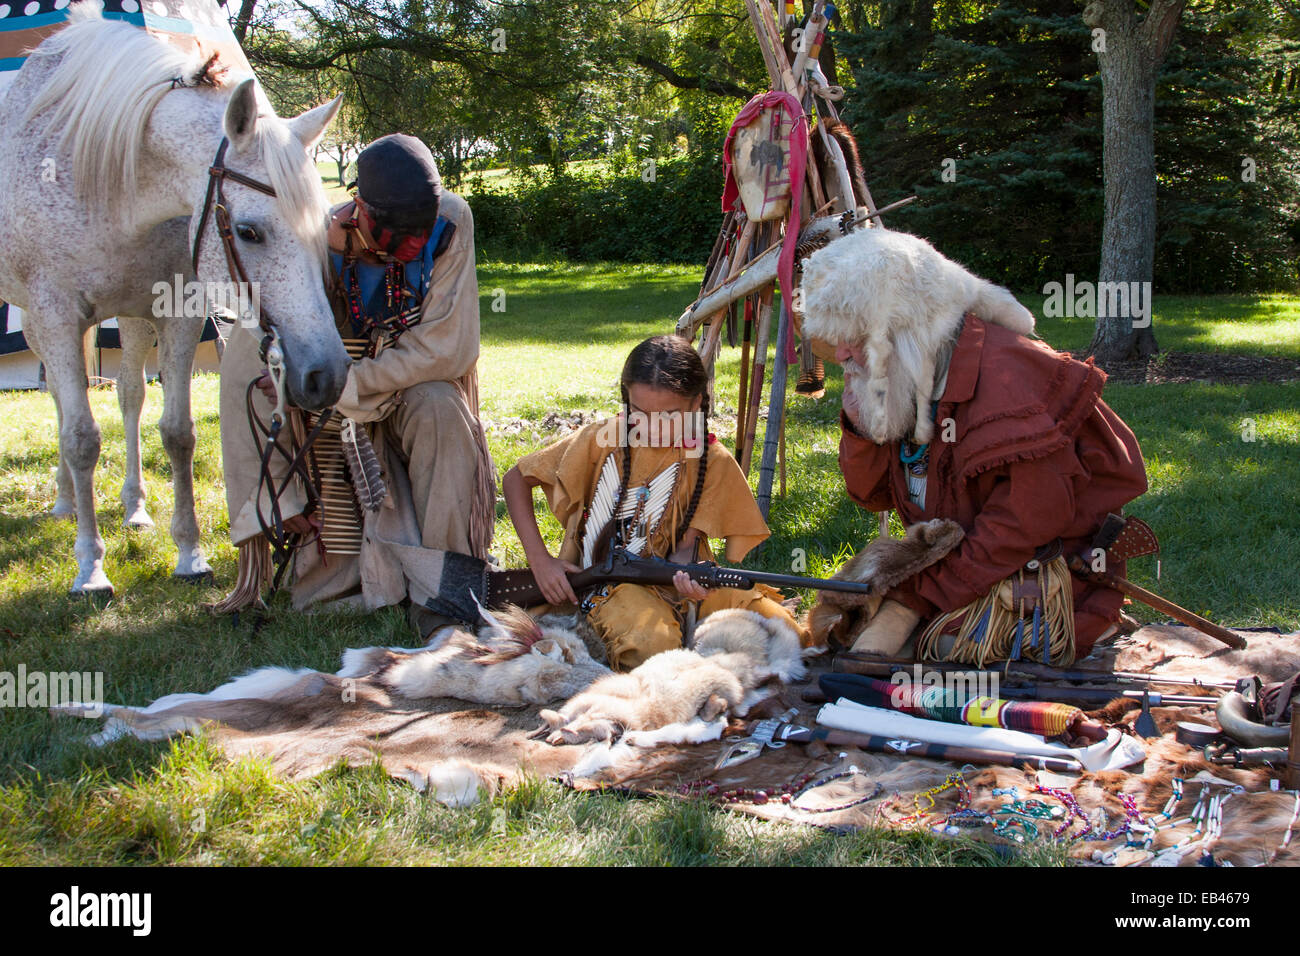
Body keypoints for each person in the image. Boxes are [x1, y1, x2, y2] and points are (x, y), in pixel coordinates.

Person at [799, 227, 1149, 665]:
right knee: (849, 628)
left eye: (856, 334)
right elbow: (873, 496)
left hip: (1029, 572)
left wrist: (917, 600)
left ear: (908, 327)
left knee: (940, 651)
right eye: (838, 336)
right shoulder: (909, 371)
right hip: (952, 557)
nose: (843, 352)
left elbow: (1024, 524)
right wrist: (860, 430)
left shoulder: (1009, 381)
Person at [217, 134, 495, 633]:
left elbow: (449, 346)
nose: (412, 244)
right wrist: (282, 499)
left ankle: (446, 593)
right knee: (327, 593)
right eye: (395, 232)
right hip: (329, 422)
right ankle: (368, 575)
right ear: (361, 209)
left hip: (405, 389)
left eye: (420, 228)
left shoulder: (452, 223)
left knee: (442, 410)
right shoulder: (314, 245)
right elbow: (249, 361)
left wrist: (357, 381)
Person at [501, 334, 809, 671]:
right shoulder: (600, 440)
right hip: (607, 587)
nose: (653, 427)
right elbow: (516, 478)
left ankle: (691, 635)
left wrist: (688, 582)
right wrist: (540, 560)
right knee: (653, 648)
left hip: (681, 585)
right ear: (626, 400)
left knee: (783, 629)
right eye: (639, 413)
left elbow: (684, 551)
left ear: (697, 403)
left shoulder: (711, 459)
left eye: (670, 415)